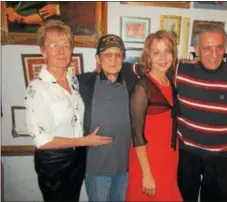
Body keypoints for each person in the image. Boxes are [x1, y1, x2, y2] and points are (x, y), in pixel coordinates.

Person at [25, 20, 113, 201]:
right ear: (43, 51)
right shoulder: (37, 88)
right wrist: (85, 140)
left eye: (66, 45)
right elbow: (41, 140)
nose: (61, 51)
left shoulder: (73, 82)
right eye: (54, 45)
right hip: (53, 161)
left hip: (77, 158)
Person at [175, 24, 227, 201]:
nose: (214, 53)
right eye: (207, 48)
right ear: (196, 49)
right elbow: (150, 69)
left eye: (219, 47)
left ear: (225, 48)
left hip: (221, 158)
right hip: (187, 154)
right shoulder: (181, 71)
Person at [77, 34, 137, 202]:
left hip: (125, 168)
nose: (113, 60)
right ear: (98, 58)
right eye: (107, 55)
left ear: (123, 58)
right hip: (96, 170)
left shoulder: (132, 82)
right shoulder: (83, 83)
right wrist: (82, 140)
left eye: (117, 54)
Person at [126, 30, 182, 201]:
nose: (163, 57)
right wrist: (147, 174)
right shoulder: (142, 87)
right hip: (148, 159)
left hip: (169, 157)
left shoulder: (170, 84)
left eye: (167, 51)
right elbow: (137, 135)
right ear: (148, 56)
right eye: (156, 52)